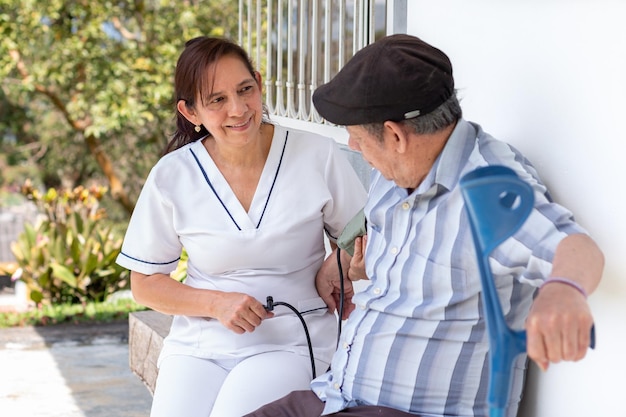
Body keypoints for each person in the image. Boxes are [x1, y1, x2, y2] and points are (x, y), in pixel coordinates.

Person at [244, 34, 604, 417]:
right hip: (334, 397)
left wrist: (563, 290)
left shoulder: (489, 189)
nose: (353, 146)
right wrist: (356, 264)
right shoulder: (397, 171)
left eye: (359, 139)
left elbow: (576, 249)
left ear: (396, 135)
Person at [115, 36, 367, 417]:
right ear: (191, 112)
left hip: (292, 340)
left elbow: (363, 232)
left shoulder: (316, 154)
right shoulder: (173, 174)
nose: (238, 109)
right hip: (198, 344)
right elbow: (145, 283)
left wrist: (338, 263)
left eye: (245, 90)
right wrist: (216, 304)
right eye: (217, 99)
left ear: (260, 84)